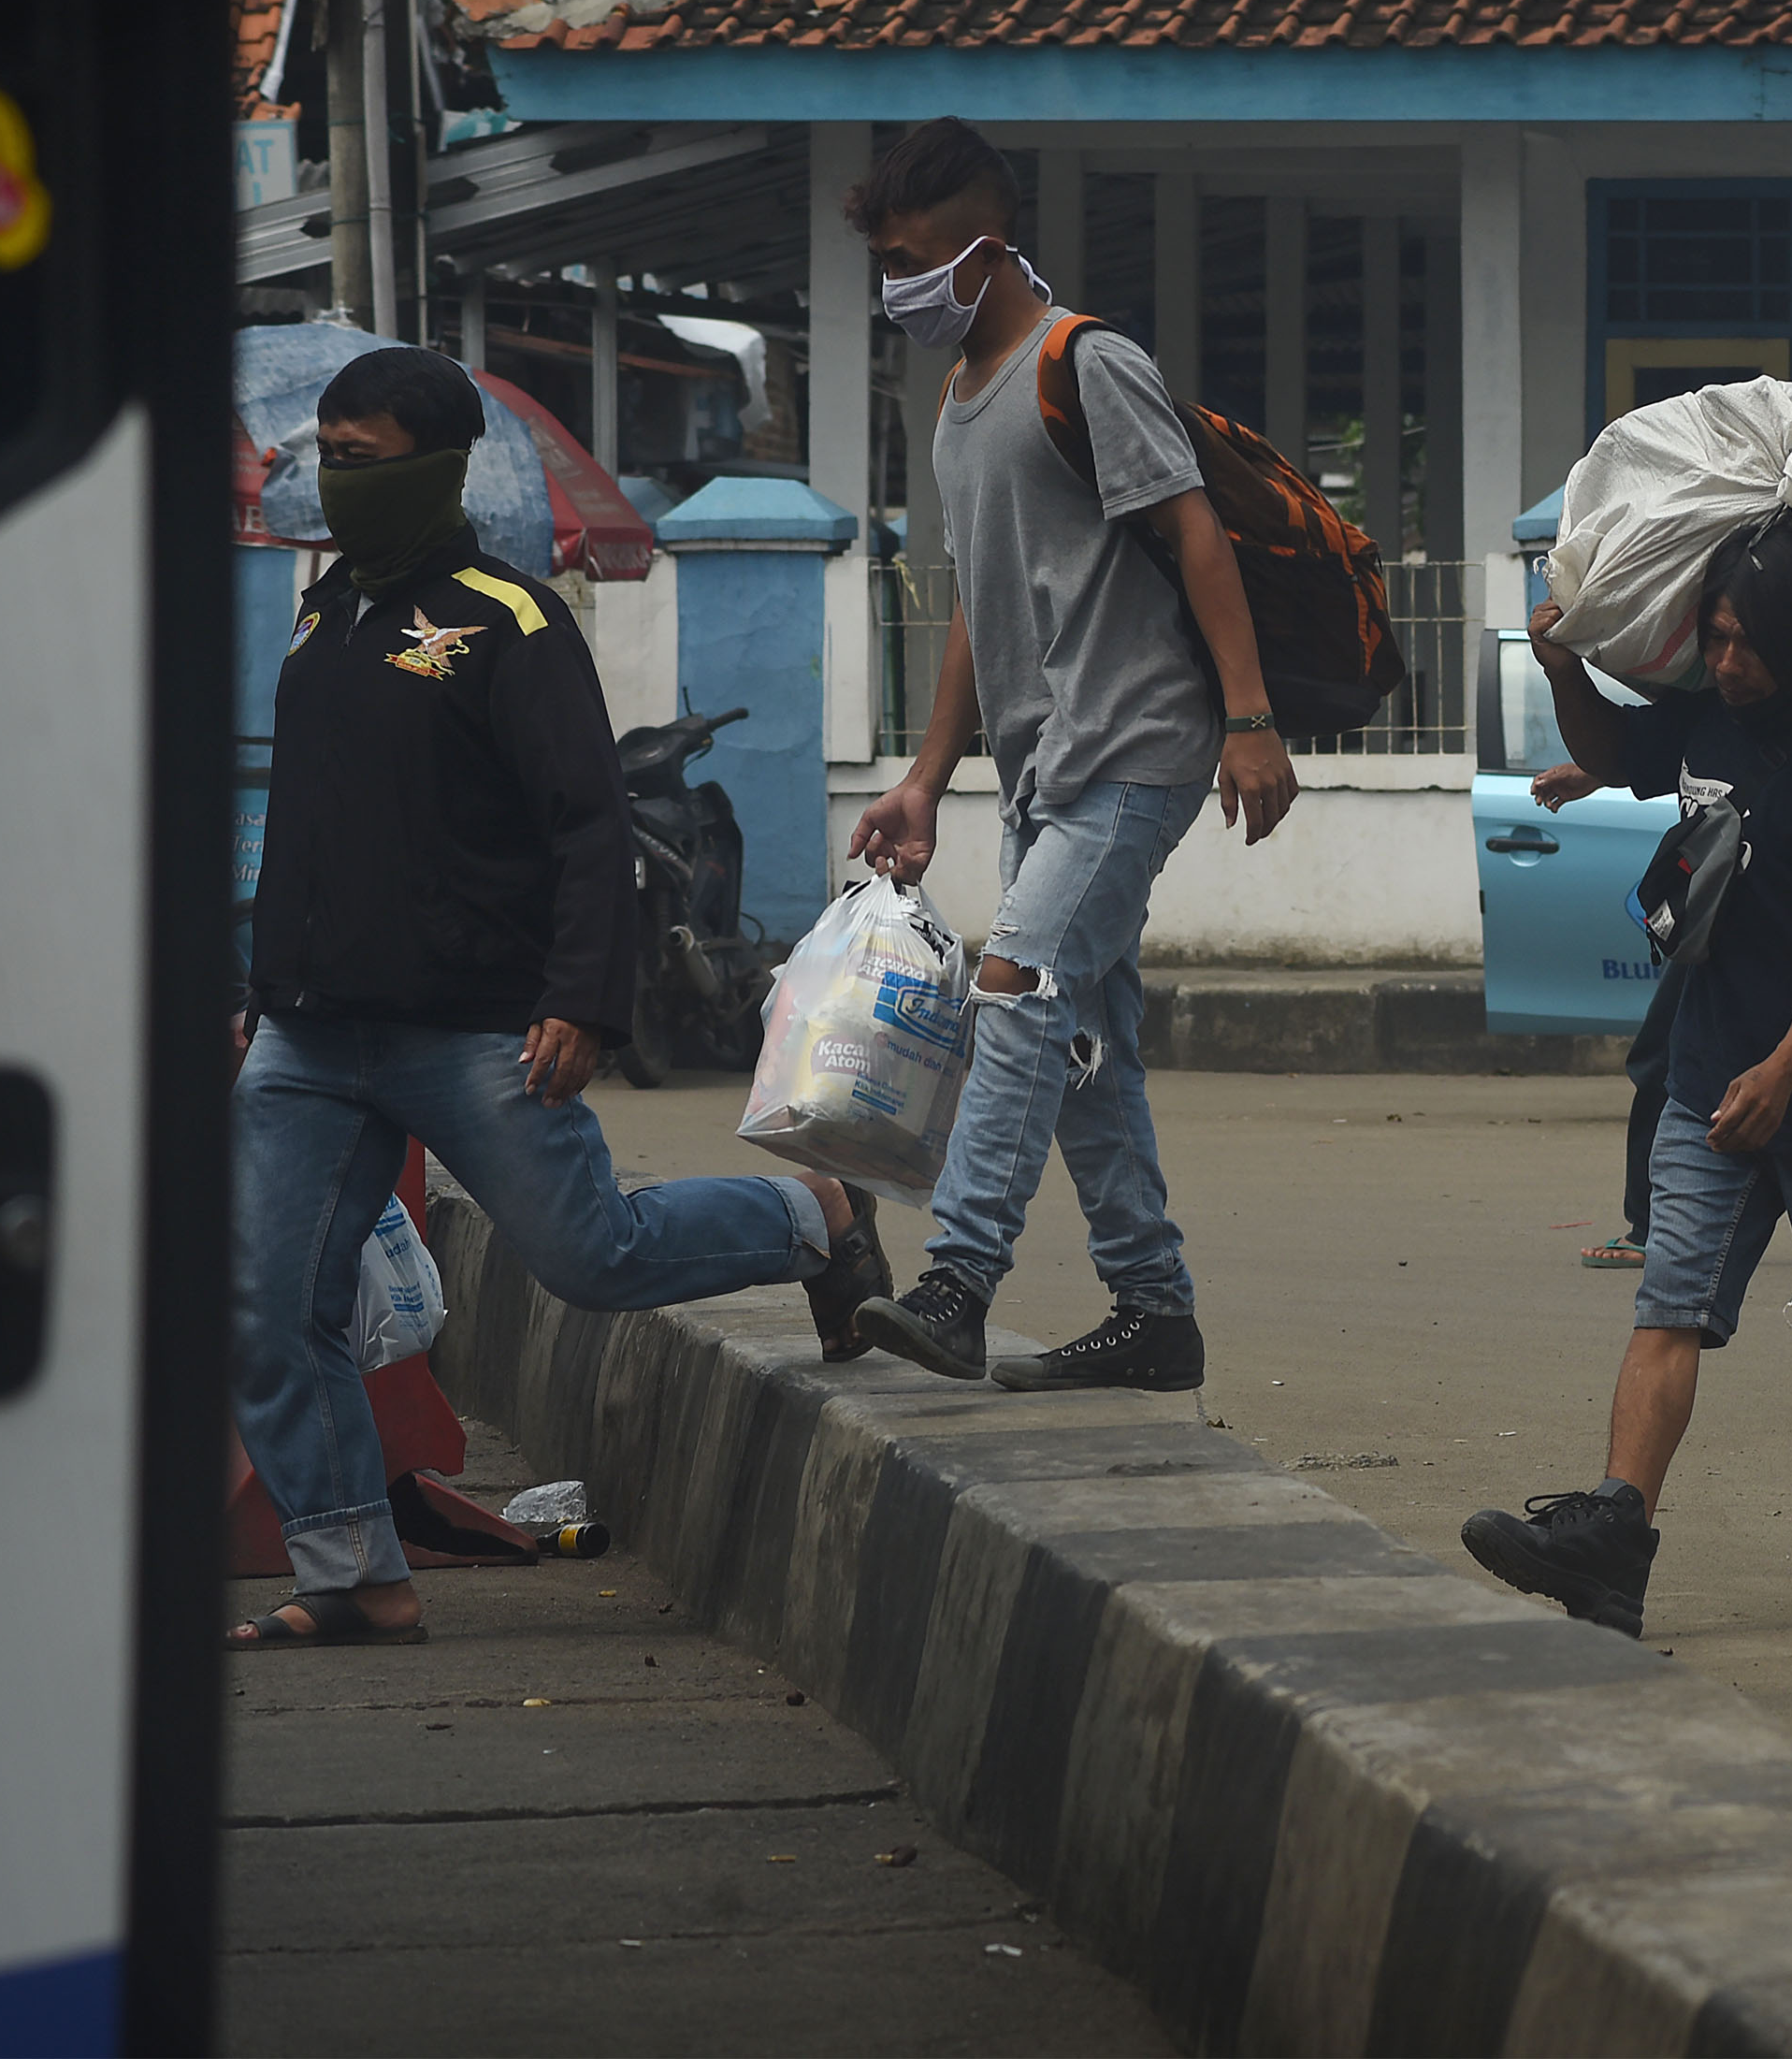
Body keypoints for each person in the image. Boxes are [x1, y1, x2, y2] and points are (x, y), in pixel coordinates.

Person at [230, 348, 891, 1649]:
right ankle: (355, 1575)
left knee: (596, 1255)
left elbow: (589, 828)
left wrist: (583, 1001)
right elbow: (306, 824)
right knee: (269, 1302)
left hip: (470, 1024)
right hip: (310, 1032)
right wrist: (257, 987)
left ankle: (813, 1211)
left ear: (429, 465)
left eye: (358, 460)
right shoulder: (327, 612)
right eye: (328, 458)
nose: (336, 483)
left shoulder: (509, 619)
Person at [1458, 524, 1792, 1637]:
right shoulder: (1711, 718)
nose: (1723, 662)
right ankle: (1616, 1537)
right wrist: (1565, 666)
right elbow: (1618, 751)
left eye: (1745, 645)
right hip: (1715, 1075)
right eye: (1712, 638)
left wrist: (1786, 1067)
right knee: (1672, 1299)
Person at [841, 119, 1299, 1391]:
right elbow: (978, 605)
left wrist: (1251, 723)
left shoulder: (1082, 361)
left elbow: (1195, 534)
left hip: (1138, 745)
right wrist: (927, 776)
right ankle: (1154, 1308)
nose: (898, 286)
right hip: (1043, 770)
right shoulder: (957, 397)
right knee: (1084, 1038)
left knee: (1018, 991)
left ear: (983, 252)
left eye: (912, 258)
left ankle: (959, 1279)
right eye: (885, 260)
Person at [1527, 758, 1680, 1271]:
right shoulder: (1713, 711)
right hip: (1721, 907)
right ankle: (1657, 1224)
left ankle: (1652, 1228)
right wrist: (1595, 772)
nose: (1727, 670)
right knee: (1668, 1062)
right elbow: (1664, 743)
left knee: (1668, 1065)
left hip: (1770, 902)